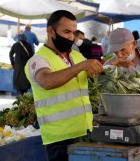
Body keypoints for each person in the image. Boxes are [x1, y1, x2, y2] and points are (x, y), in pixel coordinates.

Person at [24, 10, 103, 161]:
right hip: (60, 140)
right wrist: (81, 66)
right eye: (66, 32)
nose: (71, 37)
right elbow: (47, 81)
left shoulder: (76, 56)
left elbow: (95, 72)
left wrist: (114, 66)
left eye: (73, 32)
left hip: (84, 131)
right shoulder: (38, 60)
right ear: (50, 31)